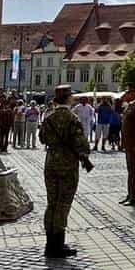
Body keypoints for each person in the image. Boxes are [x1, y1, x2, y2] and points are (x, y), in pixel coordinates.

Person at [40, 84, 92, 258]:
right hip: (68, 164)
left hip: (51, 162)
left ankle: (49, 244)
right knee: (63, 203)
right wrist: (85, 154)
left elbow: (42, 138)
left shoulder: (49, 117)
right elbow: (81, 143)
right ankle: (58, 245)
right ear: (68, 99)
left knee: (52, 202)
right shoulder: (73, 118)